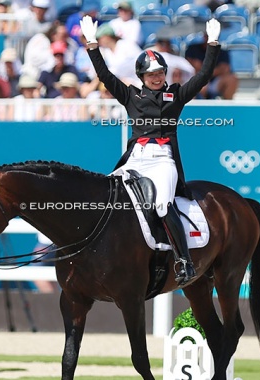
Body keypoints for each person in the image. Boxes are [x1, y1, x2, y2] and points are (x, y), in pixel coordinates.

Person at [80, 15, 222, 286]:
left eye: (160, 73)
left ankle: (183, 261)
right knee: (110, 198)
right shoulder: (131, 95)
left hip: (162, 159)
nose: (156, 78)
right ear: (142, 76)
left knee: (162, 204)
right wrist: (92, 43)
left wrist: (213, 44)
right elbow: (104, 75)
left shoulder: (176, 95)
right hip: (136, 158)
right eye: (151, 74)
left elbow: (203, 76)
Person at [185, 32, 238, 99]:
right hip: (196, 79)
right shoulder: (192, 49)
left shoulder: (222, 52)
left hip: (215, 81)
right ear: (204, 37)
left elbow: (225, 69)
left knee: (232, 80)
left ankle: (227, 107)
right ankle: (192, 107)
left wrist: (203, 71)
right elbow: (188, 66)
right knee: (194, 83)